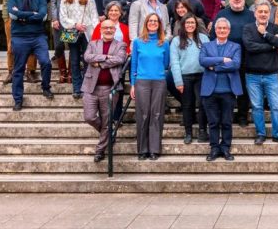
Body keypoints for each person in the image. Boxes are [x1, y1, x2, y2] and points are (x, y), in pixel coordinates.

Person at [242, 0, 278, 146]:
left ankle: (277, 134)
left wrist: (266, 34)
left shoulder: (275, 28)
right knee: (257, 106)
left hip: (272, 75)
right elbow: (250, 46)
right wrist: (271, 46)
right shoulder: (248, 28)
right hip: (252, 75)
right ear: (255, 13)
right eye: (260, 11)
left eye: (266, 12)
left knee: (276, 106)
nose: (263, 14)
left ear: (270, 13)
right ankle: (261, 134)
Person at [131, 13, 177, 160]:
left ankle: (154, 149)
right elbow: (134, 65)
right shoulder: (138, 42)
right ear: (146, 23)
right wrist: (132, 84)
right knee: (143, 115)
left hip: (159, 81)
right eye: (150, 21)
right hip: (142, 81)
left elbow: (165, 63)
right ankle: (142, 149)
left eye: (155, 21)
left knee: (156, 114)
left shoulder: (164, 43)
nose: (152, 23)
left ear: (159, 24)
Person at [82, 20, 128, 162]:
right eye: (105, 28)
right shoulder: (92, 43)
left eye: (111, 28)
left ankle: (100, 150)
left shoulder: (121, 45)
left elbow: (120, 59)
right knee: (89, 117)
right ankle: (109, 132)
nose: (108, 30)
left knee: (107, 119)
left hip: (110, 88)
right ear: (101, 29)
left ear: (115, 30)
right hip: (91, 87)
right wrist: (107, 57)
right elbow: (87, 57)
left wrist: (99, 63)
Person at [7, 0, 54, 111]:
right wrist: (33, 14)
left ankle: (46, 87)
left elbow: (43, 16)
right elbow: (12, 14)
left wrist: (22, 15)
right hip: (20, 37)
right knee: (19, 69)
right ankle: (18, 99)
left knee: (46, 62)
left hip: (38, 37)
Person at [200, 17, 243, 161]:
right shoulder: (206, 46)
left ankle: (225, 148)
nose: (222, 30)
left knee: (226, 122)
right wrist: (223, 60)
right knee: (212, 122)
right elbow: (203, 61)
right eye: (219, 28)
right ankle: (214, 148)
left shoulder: (235, 46)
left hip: (228, 91)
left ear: (229, 31)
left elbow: (236, 64)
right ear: (215, 30)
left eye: (225, 28)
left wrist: (215, 66)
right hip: (210, 91)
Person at [213, 0, 255, 126]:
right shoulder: (221, 14)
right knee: (226, 89)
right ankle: (227, 116)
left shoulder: (251, 15)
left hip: (246, 58)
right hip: (225, 58)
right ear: (229, 0)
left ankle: (242, 116)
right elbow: (213, 36)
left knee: (242, 89)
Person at [170, 13, 210, 145]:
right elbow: (174, 62)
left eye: (192, 23)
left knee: (203, 103)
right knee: (187, 105)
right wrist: (178, 81)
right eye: (187, 23)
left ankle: (203, 130)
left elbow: (210, 56)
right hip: (185, 77)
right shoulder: (176, 41)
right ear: (183, 25)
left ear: (196, 24)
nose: (190, 25)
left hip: (202, 76)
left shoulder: (203, 38)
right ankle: (188, 132)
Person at [59, 0, 99, 99]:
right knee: (75, 61)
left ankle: (87, 87)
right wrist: (75, 25)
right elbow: (63, 17)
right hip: (73, 33)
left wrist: (96, 33)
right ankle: (77, 88)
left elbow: (94, 16)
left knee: (88, 60)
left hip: (88, 34)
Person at [2, 0, 42, 85]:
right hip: (13, 21)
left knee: (31, 46)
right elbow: (6, 3)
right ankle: (11, 71)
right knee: (11, 46)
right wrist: (6, 18)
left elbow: (40, 2)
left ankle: (31, 71)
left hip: (31, 21)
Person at [51, 0, 76, 83]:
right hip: (59, 20)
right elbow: (54, 2)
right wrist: (54, 18)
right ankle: (62, 72)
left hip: (72, 20)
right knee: (59, 46)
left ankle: (70, 73)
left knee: (72, 45)